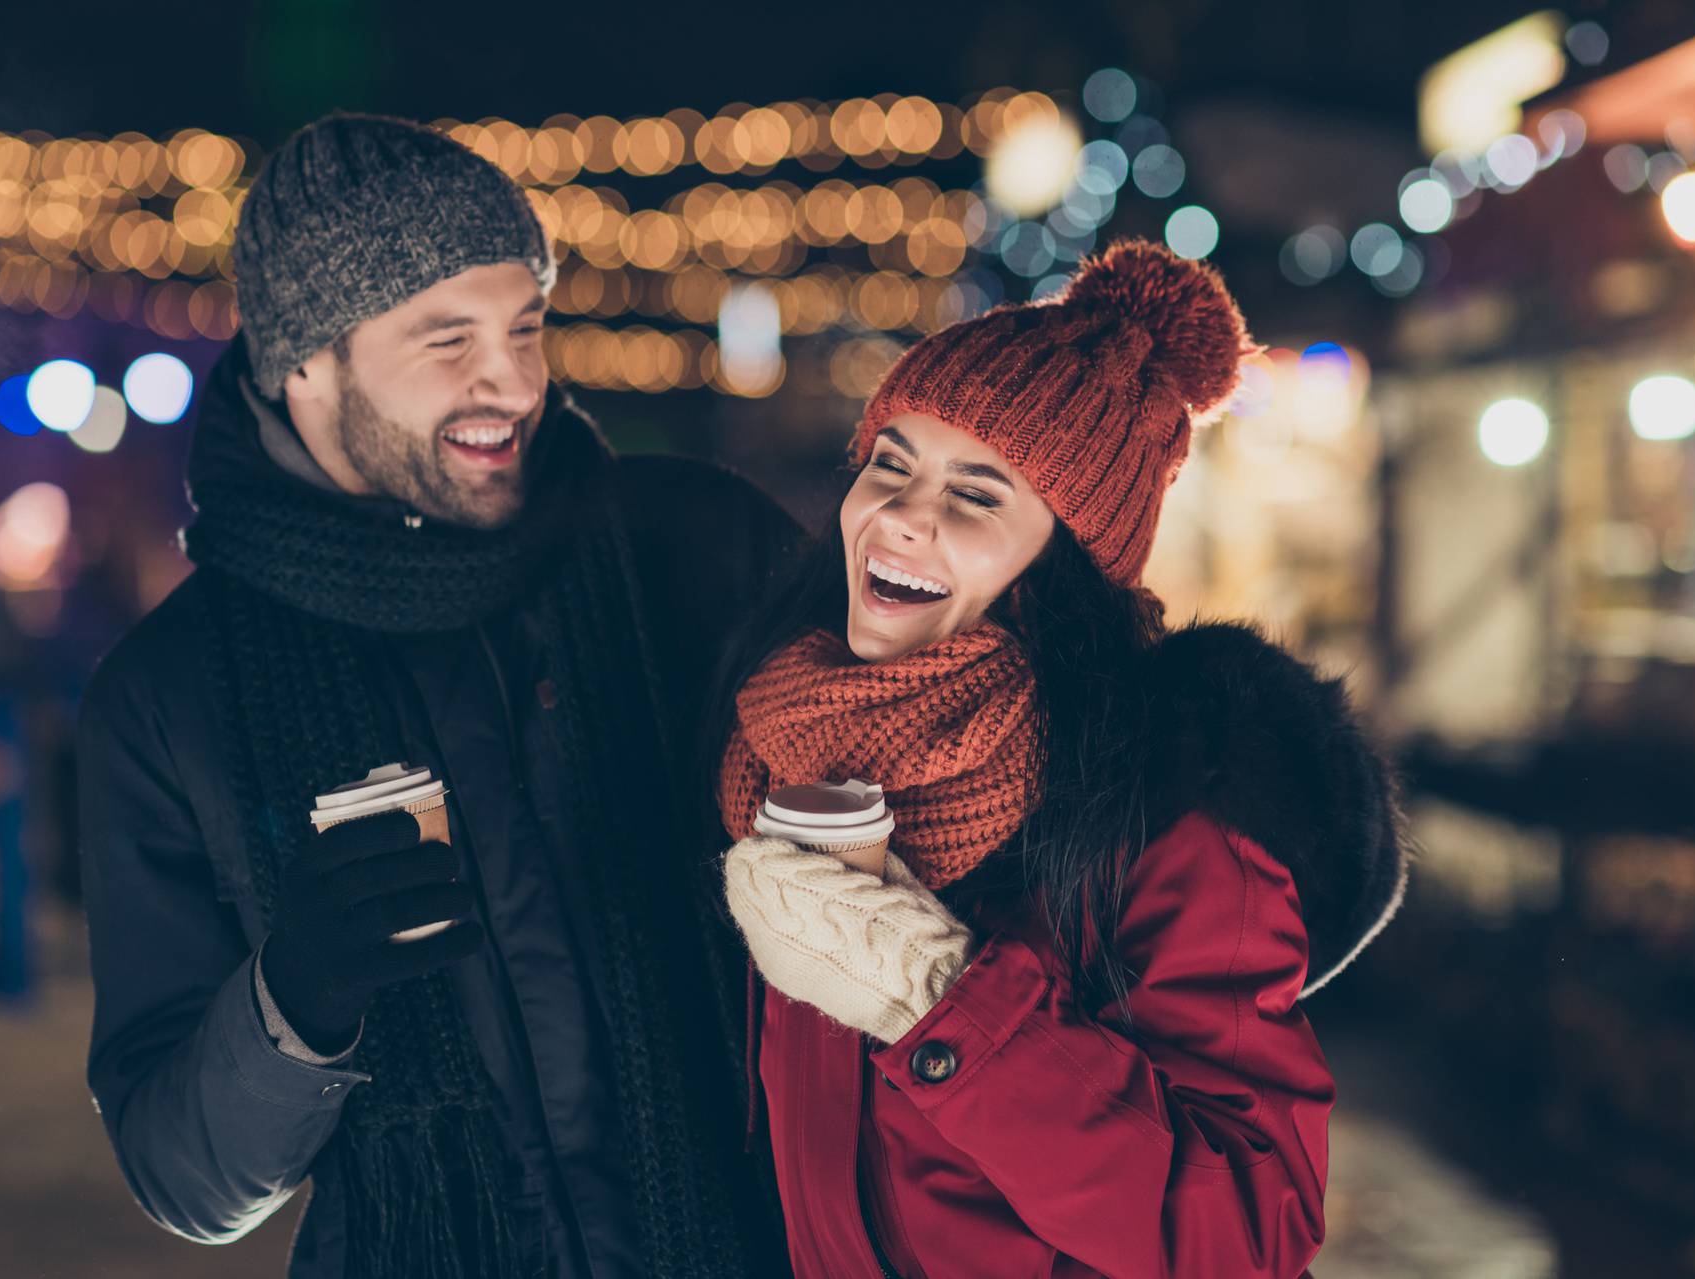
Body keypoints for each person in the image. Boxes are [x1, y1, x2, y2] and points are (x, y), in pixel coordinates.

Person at [78, 113, 795, 1278]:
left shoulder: (691, 548)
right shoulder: (168, 698)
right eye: (446, 338)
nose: (510, 380)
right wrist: (292, 1005)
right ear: (303, 361)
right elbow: (180, 1174)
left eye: (526, 324)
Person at [714, 239, 1409, 1278]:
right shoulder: (780, 741)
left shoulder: (1171, 801)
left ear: (1067, 559)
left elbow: (1247, 1237)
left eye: (979, 495)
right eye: (890, 463)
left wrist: (934, 999)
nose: (904, 515)